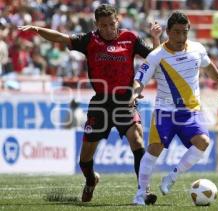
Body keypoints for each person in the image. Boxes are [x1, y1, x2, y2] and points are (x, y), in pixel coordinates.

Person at [18, 4, 162, 204]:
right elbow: (61, 37)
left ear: (117, 21)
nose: (109, 29)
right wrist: (37, 29)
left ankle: (143, 190)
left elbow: (155, 59)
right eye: (104, 25)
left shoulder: (130, 38)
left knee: (137, 140)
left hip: (125, 101)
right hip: (100, 103)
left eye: (112, 24)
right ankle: (91, 180)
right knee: (85, 159)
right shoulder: (89, 40)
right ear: (97, 25)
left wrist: (155, 38)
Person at [130, 11, 218, 205]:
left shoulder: (197, 49)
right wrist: (135, 93)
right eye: (176, 32)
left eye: (184, 32)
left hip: (190, 111)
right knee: (154, 149)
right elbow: (140, 79)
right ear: (168, 31)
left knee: (203, 142)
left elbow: (209, 67)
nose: (181, 37)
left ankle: (172, 177)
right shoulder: (156, 55)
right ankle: (140, 194)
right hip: (164, 112)